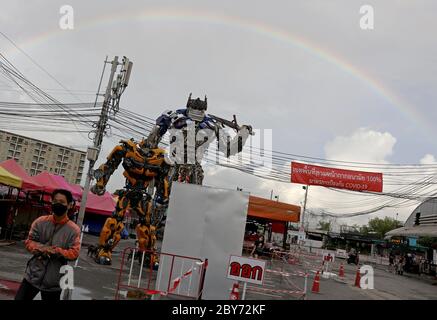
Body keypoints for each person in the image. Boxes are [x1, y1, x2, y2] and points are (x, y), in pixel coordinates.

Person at [15, 189, 81, 300]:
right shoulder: (40, 221)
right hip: (33, 275)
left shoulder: (73, 230)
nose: (58, 204)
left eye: (62, 202)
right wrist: (40, 248)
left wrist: (57, 251)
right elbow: (29, 241)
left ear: (69, 205)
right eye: (55, 201)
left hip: (54, 281)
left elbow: (74, 253)